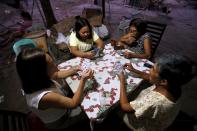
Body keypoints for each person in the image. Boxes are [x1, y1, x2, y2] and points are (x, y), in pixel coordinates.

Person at [16, 48, 94, 129]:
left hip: (59, 102)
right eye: (52, 64)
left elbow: (56, 74)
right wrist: (83, 80)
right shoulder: (44, 97)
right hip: (62, 120)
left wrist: (74, 70)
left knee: (72, 86)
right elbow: (73, 103)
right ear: (40, 72)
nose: (56, 65)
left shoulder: (33, 81)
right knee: (91, 112)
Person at [118, 54, 195, 131]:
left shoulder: (154, 101)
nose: (149, 70)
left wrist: (122, 82)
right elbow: (150, 77)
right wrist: (134, 70)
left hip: (137, 126)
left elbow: (125, 107)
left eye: (153, 69)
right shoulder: (174, 86)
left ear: (164, 81)